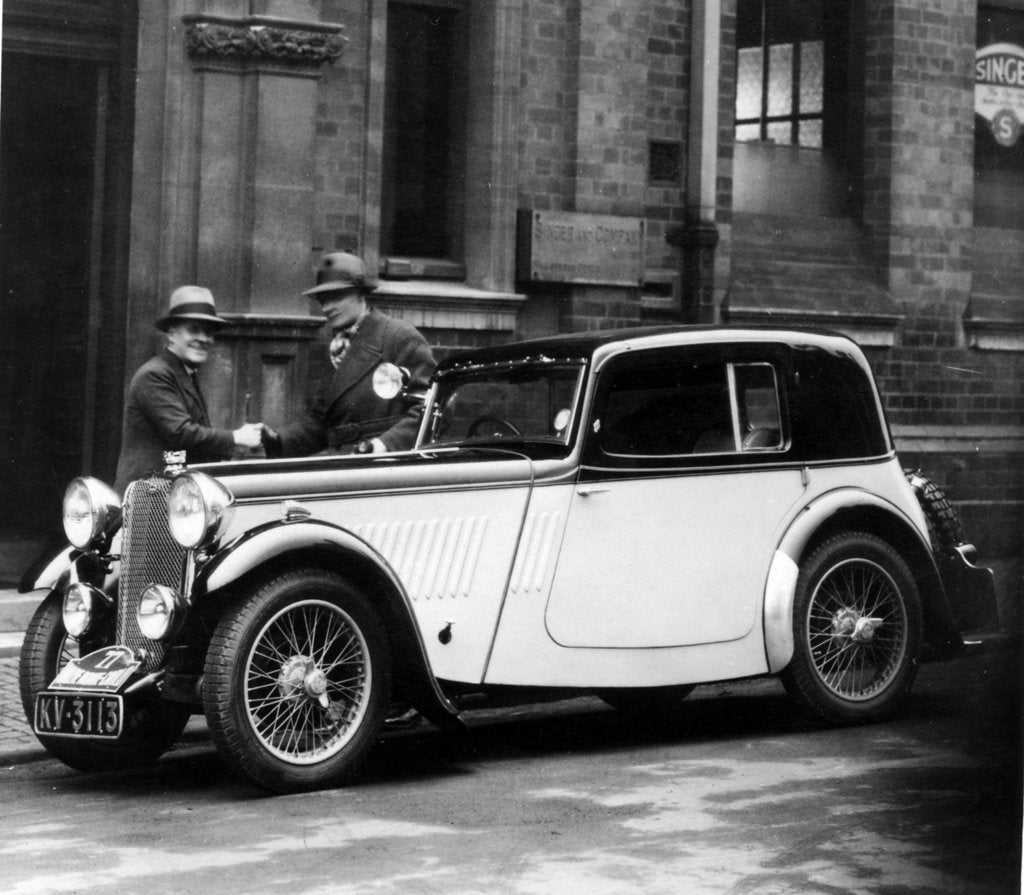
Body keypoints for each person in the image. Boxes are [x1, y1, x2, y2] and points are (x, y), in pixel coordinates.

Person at [261, 251, 435, 458]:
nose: (327, 308)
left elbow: (431, 407)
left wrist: (382, 445)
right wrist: (278, 439)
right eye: (322, 300)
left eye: (336, 297)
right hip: (344, 463)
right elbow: (322, 422)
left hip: (388, 464)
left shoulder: (399, 337)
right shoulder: (338, 347)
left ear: (361, 294)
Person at [114, 286, 264, 493]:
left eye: (209, 332)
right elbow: (181, 433)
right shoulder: (155, 374)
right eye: (193, 329)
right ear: (172, 334)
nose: (203, 339)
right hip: (147, 500)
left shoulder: (183, 373)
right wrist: (236, 438)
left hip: (172, 494)